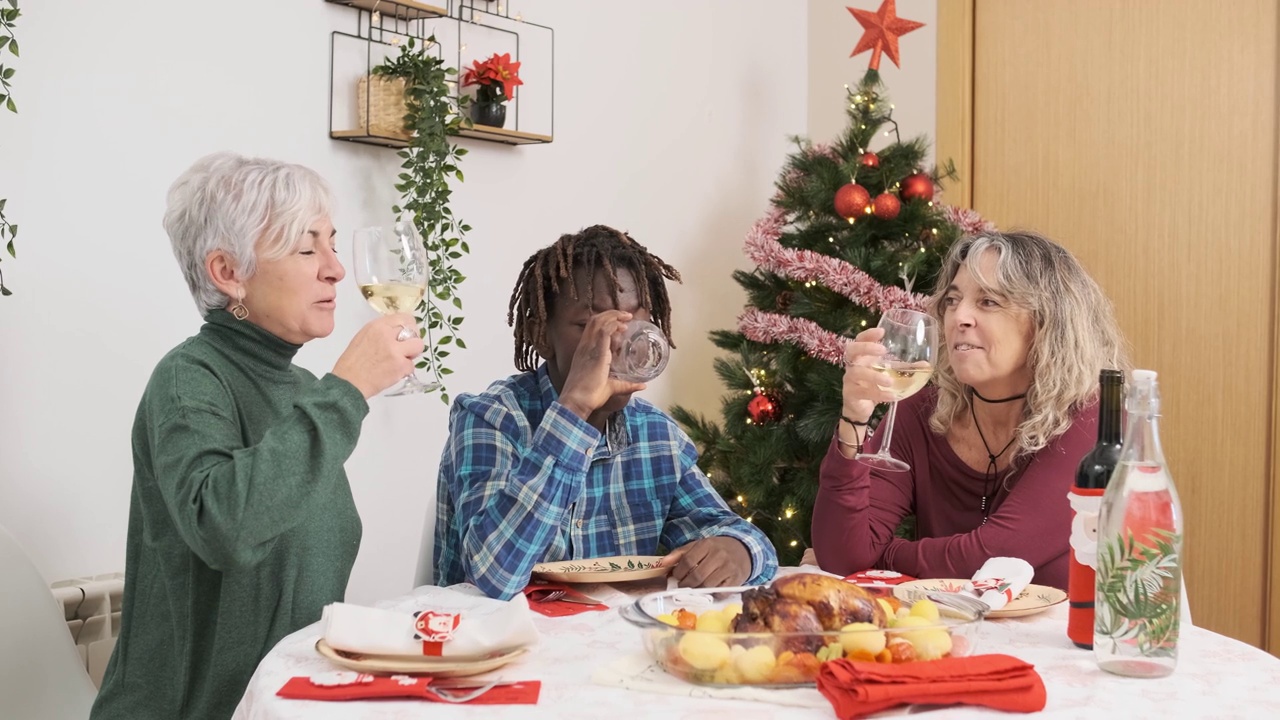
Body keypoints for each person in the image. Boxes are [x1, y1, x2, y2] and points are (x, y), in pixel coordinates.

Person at [90, 152, 422, 720]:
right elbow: (225, 528)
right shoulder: (189, 377)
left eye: (332, 243)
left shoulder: (299, 386)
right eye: (305, 247)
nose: (336, 269)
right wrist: (347, 389)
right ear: (228, 273)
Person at [432, 225, 779, 600]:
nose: (615, 343)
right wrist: (575, 408)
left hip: (609, 649)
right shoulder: (490, 418)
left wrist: (737, 551)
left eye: (635, 324)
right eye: (589, 326)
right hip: (498, 648)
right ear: (541, 335)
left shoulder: (656, 436)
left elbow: (741, 535)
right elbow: (495, 576)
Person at [811, 230, 1128, 590]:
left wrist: (883, 556)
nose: (959, 316)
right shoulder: (922, 410)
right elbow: (841, 558)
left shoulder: (1094, 420)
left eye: (989, 302)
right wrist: (854, 415)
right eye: (952, 299)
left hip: (1069, 643)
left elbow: (998, 556)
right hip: (949, 638)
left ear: (1048, 322)